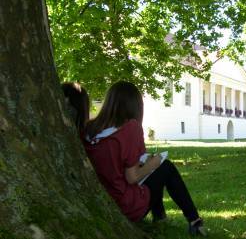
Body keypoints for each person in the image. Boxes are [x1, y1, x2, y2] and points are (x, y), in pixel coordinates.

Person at [84, 81, 206, 236]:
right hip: (125, 205)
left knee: (156, 172)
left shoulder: (89, 129)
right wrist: (153, 164)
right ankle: (194, 220)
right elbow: (132, 177)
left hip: (103, 200)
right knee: (165, 167)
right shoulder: (130, 128)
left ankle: (160, 217)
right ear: (135, 106)